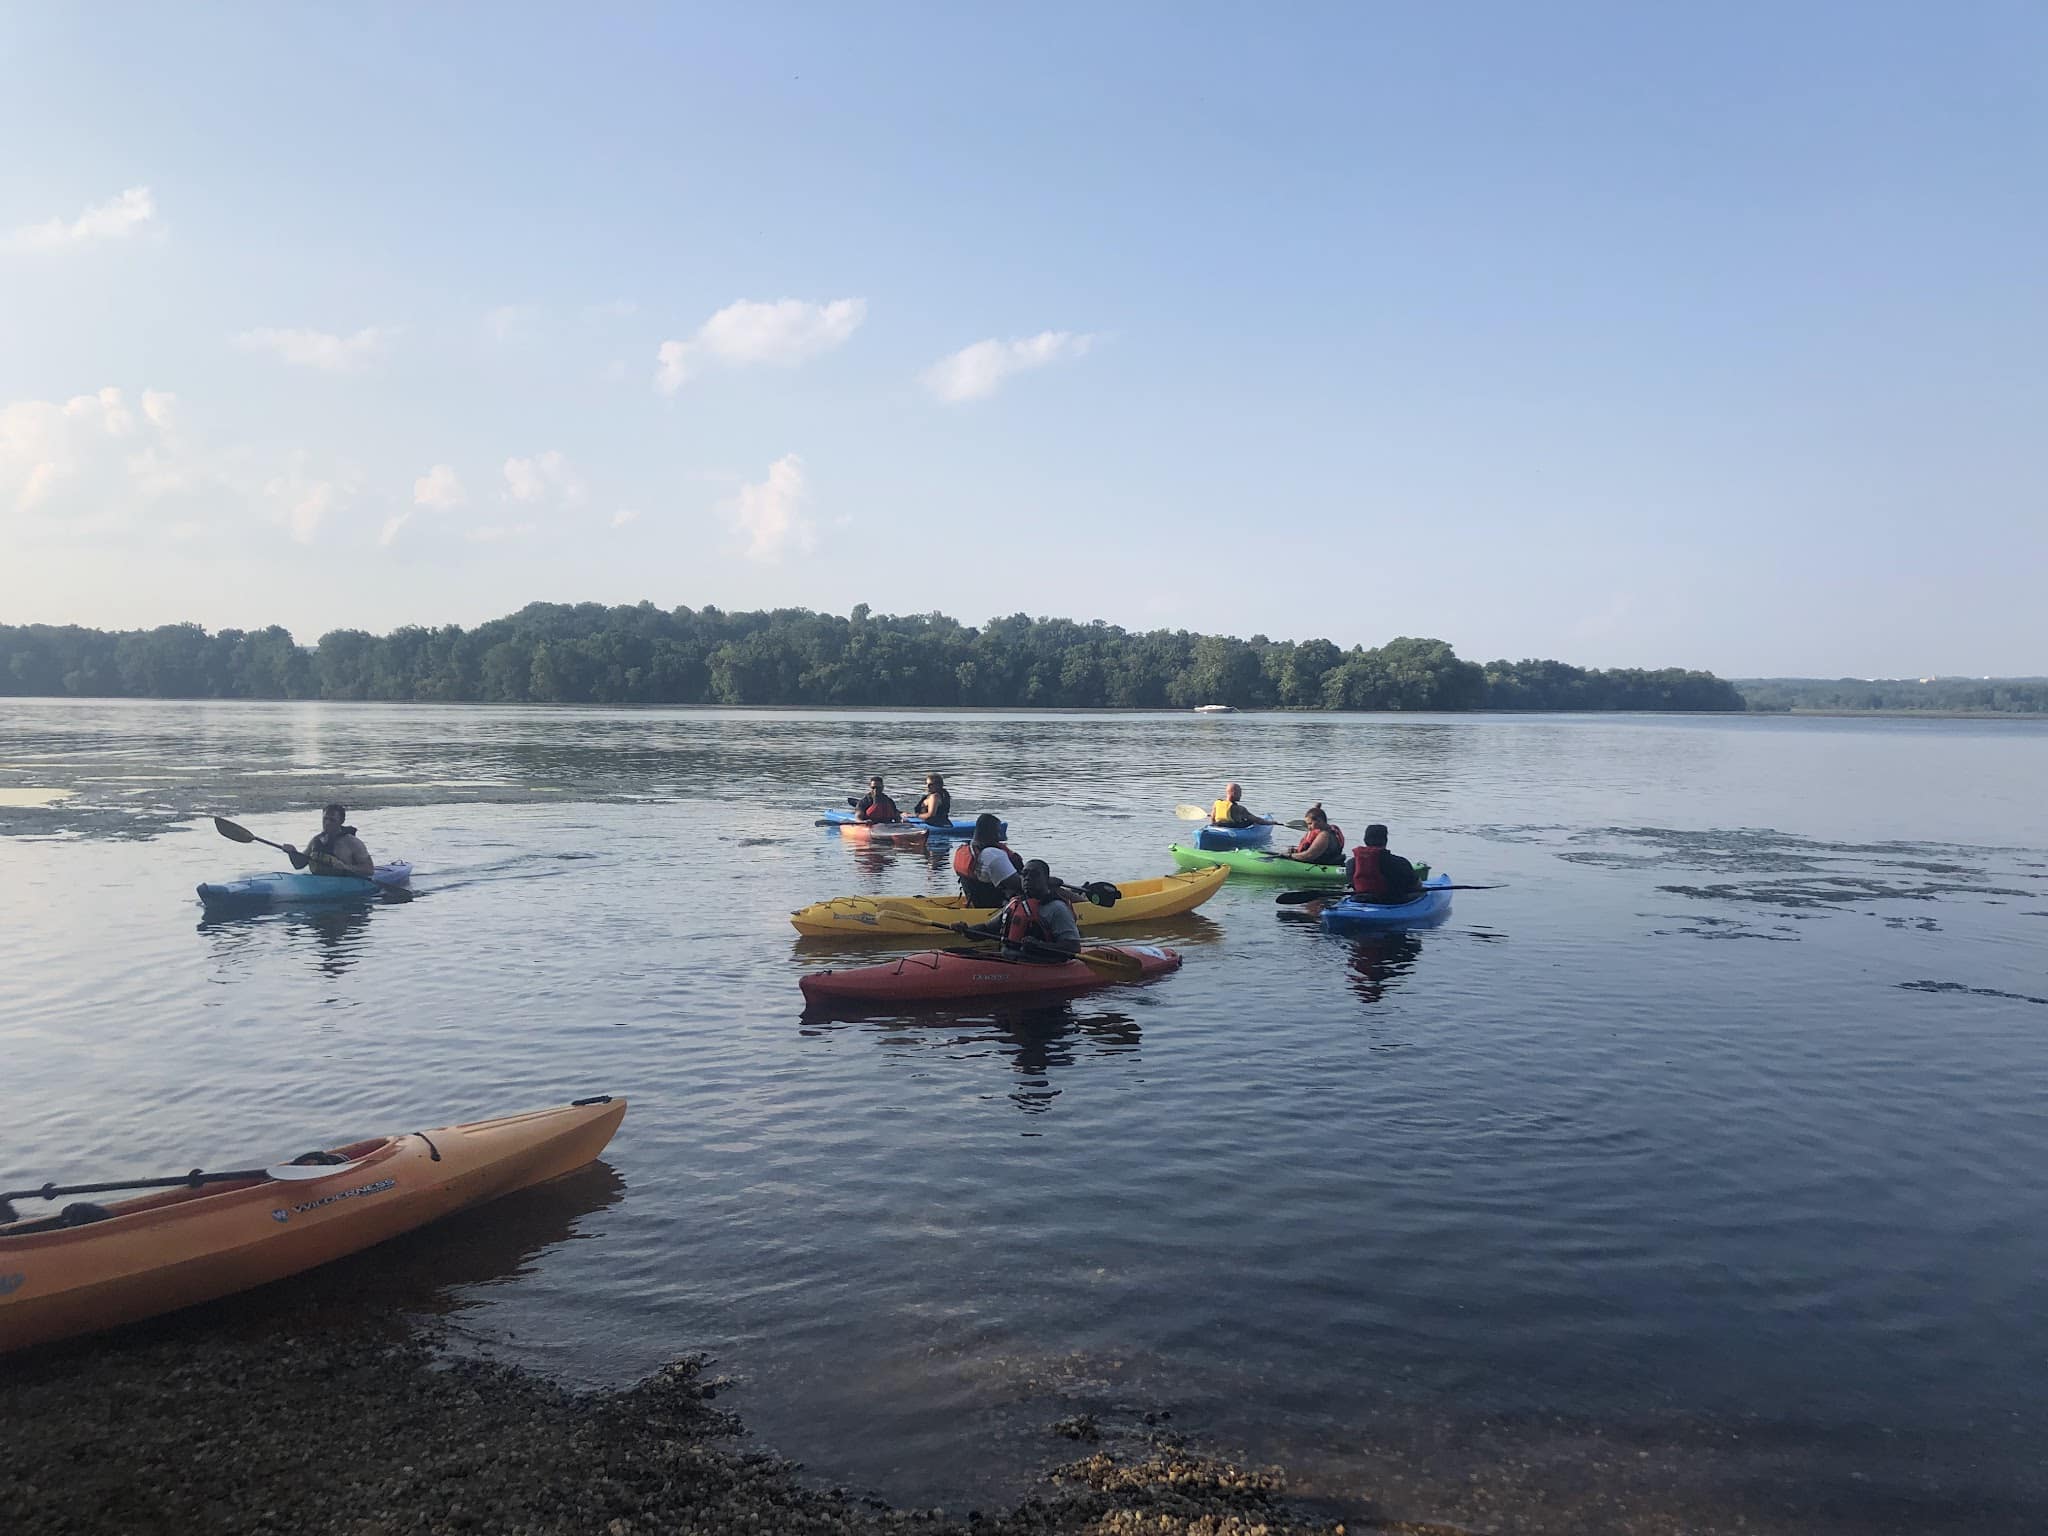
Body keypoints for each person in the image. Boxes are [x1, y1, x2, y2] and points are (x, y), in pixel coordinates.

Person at [952, 859, 1081, 960]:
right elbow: (987, 929)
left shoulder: (1056, 908)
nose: (1027, 878)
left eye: (1034, 875)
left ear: (1046, 880)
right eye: (1024, 874)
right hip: (1010, 959)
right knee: (954, 951)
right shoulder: (1015, 904)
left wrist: (1040, 946)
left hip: (1039, 963)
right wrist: (966, 930)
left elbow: (1073, 947)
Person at [283, 803, 374, 878]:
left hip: (345, 884)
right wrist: (292, 852)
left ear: (341, 821)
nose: (327, 823)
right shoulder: (316, 840)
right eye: (325, 819)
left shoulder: (352, 843)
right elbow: (299, 865)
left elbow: (369, 870)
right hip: (319, 882)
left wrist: (346, 867)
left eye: (332, 820)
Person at [953, 812, 1023, 906]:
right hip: (998, 906)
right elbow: (1019, 885)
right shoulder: (994, 856)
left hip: (975, 902)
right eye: (997, 832)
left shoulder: (964, 851)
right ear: (989, 832)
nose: (999, 837)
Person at [1347, 823, 1421, 902]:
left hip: (1361, 900)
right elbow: (1415, 886)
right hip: (1392, 902)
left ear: (1365, 840)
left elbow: (1353, 884)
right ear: (1385, 840)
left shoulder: (1351, 864)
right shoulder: (1400, 863)